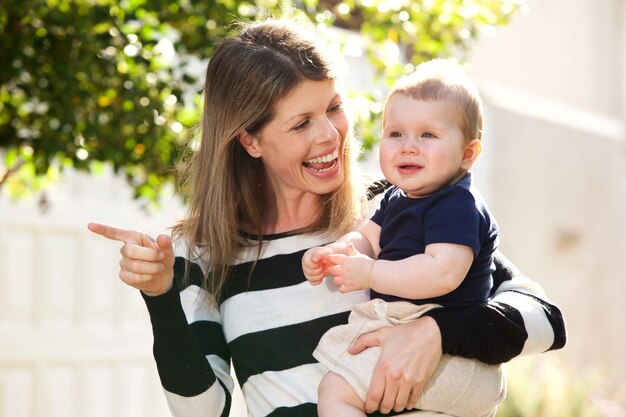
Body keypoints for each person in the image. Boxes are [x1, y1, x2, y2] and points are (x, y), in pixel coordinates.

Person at [87, 18, 566, 417]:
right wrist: (160, 297)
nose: (329, 136)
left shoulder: (394, 207)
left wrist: (435, 332)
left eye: (334, 108)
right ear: (250, 141)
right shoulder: (204, 254)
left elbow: (545, 319)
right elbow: (203, 410)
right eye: (300, 124)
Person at [302, 59, 503, 417]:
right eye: (396, 134)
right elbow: (367, 240)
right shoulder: (397, 197)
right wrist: (334, 254)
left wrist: (370, 274)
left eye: (428, 135)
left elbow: (442, 273)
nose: (408, 146)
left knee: (336, 391)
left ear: (467, 154)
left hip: (453, 356)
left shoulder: (456, 204)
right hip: (422, 349)